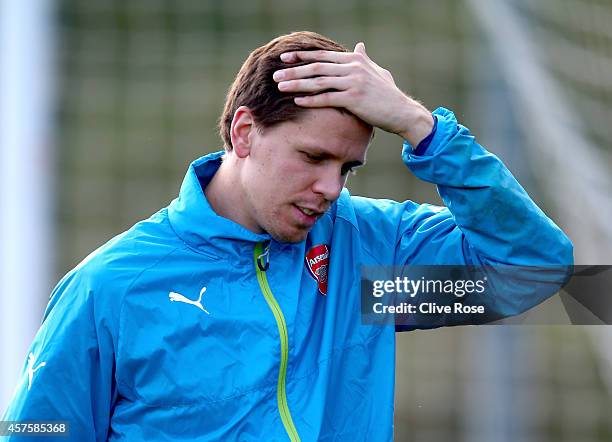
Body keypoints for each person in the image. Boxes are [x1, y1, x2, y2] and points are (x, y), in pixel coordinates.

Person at [2, 31, 572, 441]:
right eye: (314, 156)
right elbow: (40, 428)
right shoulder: (113, 288)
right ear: (244, 132)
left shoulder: (369, 259)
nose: (329, 187)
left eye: (346, 168)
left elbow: (532, 270)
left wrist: (423, 129)